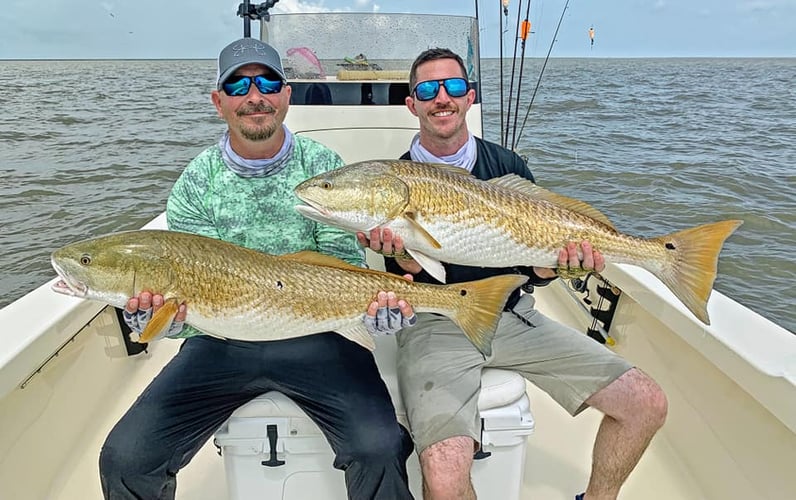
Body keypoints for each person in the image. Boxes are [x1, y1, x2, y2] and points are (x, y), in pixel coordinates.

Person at [99, 37, 416, 500]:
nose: (255, 95)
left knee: (381, 447)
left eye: (268, 81)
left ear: (286, 96)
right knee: (126, 459)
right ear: (219, 101)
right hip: (219, 343)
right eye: (238, 84)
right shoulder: (196, 182)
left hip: (319, 336)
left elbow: (342, 267)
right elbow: (181, 305)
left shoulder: (323, 166)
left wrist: (372, 310)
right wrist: (152, 316)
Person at [359, 47, 668, 500]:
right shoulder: (394, 180)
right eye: (427, 89)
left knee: (647, 403)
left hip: (515, 317)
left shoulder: (508, 167)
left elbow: (536, 268)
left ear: (469, 98)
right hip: (437, 326)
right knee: (443, 478)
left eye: (453, 86)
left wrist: (559, 267)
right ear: (412, 104)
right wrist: (403, 257)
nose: (441, 97)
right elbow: (405, 277)